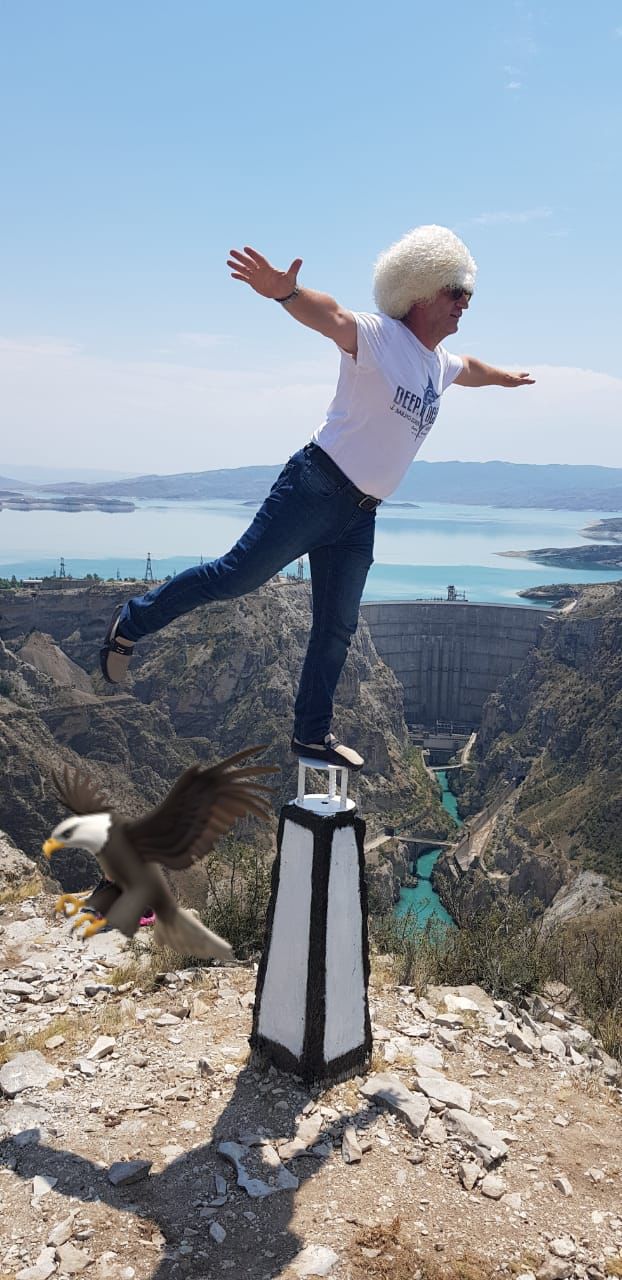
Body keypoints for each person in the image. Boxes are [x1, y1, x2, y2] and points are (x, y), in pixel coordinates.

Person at [100, 225, 534, 770]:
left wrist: (505, 379)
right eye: (456, 292)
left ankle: (310, 735)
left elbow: (470, 367)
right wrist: (286, 293)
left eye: (468, 294)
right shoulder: (379, 336)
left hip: (360, 515)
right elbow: (331, 317)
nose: (464, 303)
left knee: (336, 628)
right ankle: (131, 623)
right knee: (235, 577)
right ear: (421, 291)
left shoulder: (437, 363)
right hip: (314, 487)